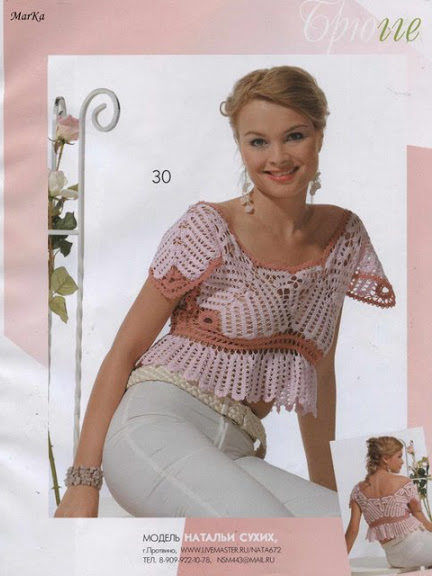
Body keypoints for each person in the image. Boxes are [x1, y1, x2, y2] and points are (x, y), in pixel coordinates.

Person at [55, 65, 395, 518]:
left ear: (319, 134)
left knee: (350, 537)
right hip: (155, 426)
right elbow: (125, 350)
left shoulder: (342, 235)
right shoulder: (209, 227)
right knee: (275, 540)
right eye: (258, 142)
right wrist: (83, 484)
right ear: (239, 145)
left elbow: (320, 373)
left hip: (236, 448)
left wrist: (327, 494)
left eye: (294, 136)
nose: (277, 157)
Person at [346, 437, 432, 569]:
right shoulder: (404, 482)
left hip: (394, 559)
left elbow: (352, 530)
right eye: (399, 456)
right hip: (418, 546)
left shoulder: (358, 491)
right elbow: (422, 520)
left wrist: (338, 561)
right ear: (385, 459)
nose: (402, 461)